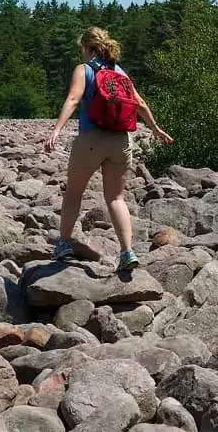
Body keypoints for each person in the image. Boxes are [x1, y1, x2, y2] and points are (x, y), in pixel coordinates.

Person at [44, 26, 173, 271]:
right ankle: (127, 252)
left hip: (92, 140)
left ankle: (64, 245)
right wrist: (155, 128)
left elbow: (73, 99)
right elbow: (139, 102)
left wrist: (57, 130)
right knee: (116, 198)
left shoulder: (84, 70)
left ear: (85, 47)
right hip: (121, 142)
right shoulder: (120, 72)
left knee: (73, 193)